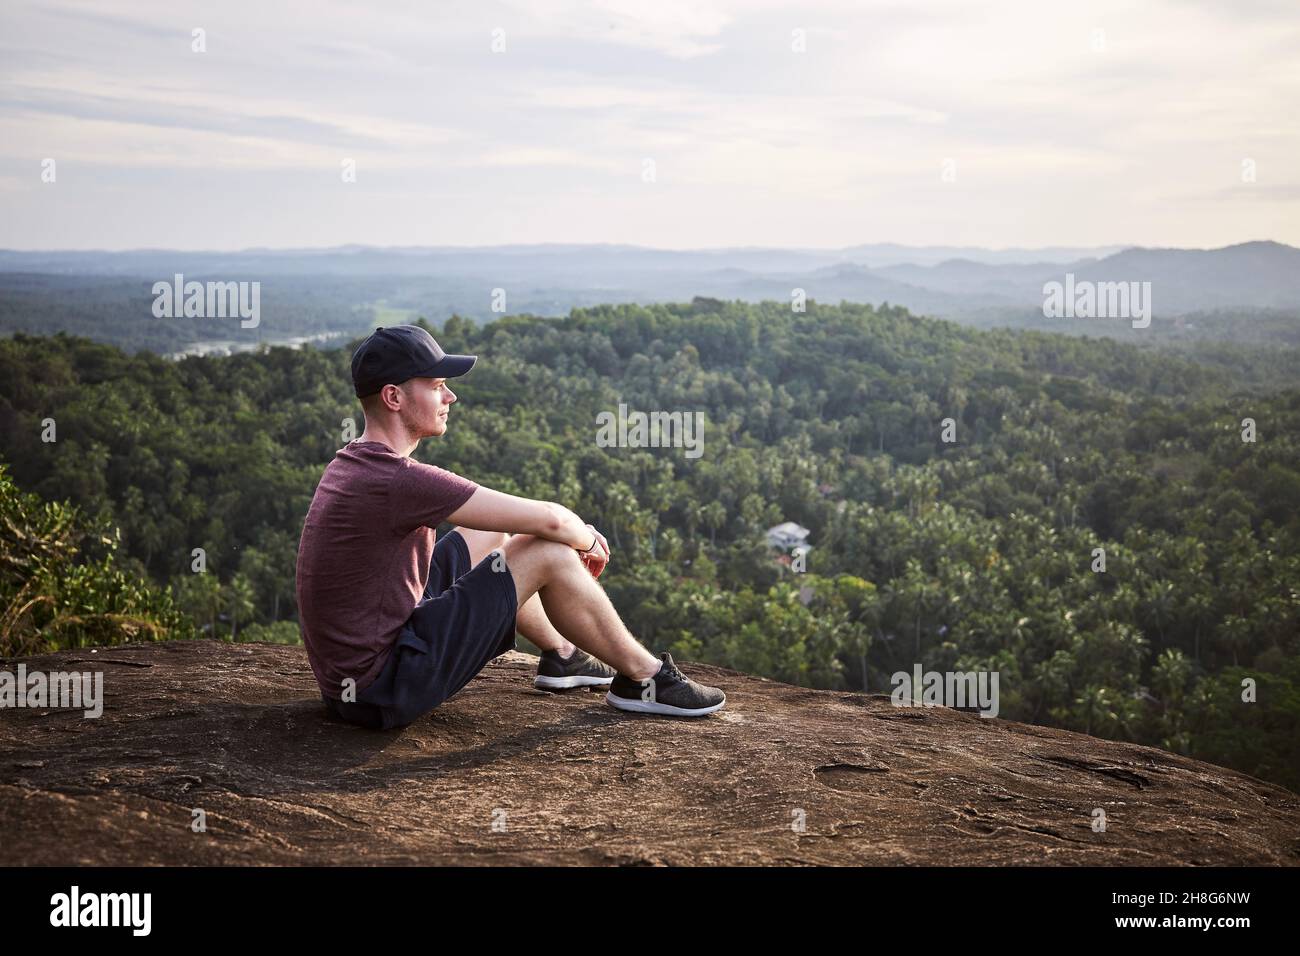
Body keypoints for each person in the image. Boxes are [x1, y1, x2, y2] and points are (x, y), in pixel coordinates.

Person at [294, 324, 726, 730]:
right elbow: (551, 520)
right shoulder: (397, 479)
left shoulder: (354, 461)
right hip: (383, 687)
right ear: (393, 397)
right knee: (548, 551)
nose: (451, 398)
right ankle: (645, 679)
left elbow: (511, 521)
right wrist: (589, 541)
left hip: (354, 679)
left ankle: (564, 654)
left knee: (490, 536)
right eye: (437, 386)